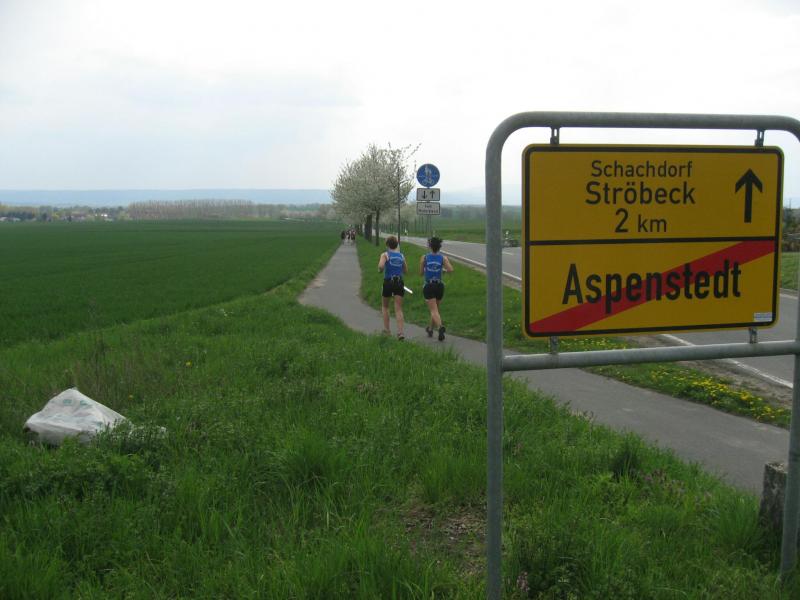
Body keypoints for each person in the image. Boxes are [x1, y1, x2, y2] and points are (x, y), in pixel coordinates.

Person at [419, 236, 454, 341]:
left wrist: (425, 268)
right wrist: (442, 270)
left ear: (430, 246)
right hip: (439, 286)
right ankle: (430, 329)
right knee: (436, 310)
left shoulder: (424, 257)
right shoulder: (443, 258)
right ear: (439, 247)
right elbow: (451, 270)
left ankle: (440, 327)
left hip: (429, 285)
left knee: (433, 310)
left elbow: (420, 273)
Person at [378, 235, 408, 340]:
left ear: (387, 245)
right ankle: (400, 332)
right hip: (399, 283)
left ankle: (387, 331)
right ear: (396, 245)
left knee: (385, 307)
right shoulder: (401, 256)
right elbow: (405, 270)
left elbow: (381, 266)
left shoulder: (385, 255)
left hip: (388, 282)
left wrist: (380, 270)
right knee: (398, 309)